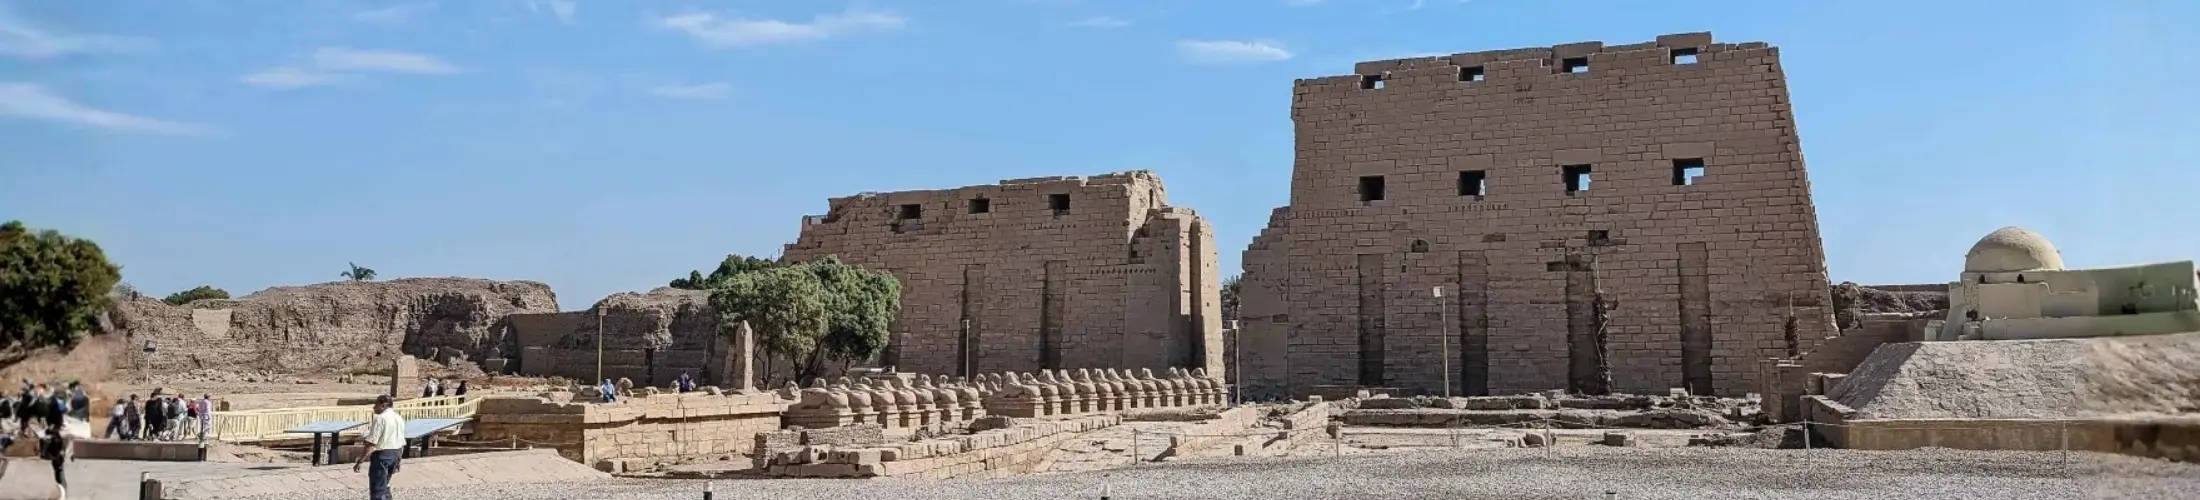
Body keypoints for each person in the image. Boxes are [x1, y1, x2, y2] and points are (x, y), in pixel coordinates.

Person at [353, 395, 406, 500]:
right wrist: (398, 461)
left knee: (377, 488)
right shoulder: (399, 418)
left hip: (382, 455)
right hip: (395, 454)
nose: (374, 407)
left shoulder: (380, 419)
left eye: (376, 404)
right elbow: (401, 441)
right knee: (385, 485)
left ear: (383, 405)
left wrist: (360, 461)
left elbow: (371, 443)